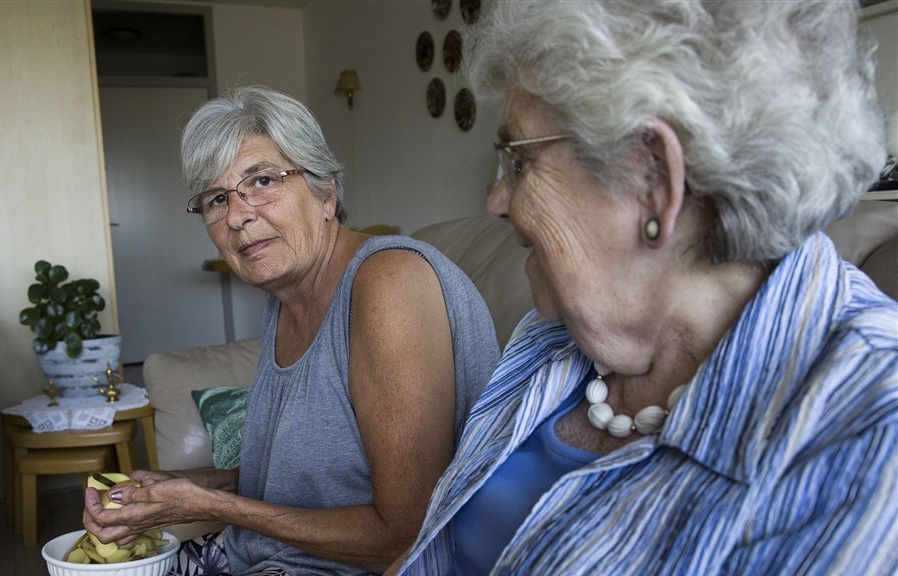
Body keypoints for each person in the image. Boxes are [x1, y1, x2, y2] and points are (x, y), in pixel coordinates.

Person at [390, 1, 898, 575]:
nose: (496, 202)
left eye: (519, 162)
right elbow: (432, 551)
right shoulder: (554, 333)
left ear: (653, 178)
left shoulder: (874, 437)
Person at [82, 86, 499, 576]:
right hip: (260, 555)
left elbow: (407, 537)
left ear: (327, 193)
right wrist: (187, 485)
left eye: (262, 180)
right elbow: (318, 482)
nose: (237, 216)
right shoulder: (288, 297)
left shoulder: (390, 284)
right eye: (217, 198)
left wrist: (208, 506)